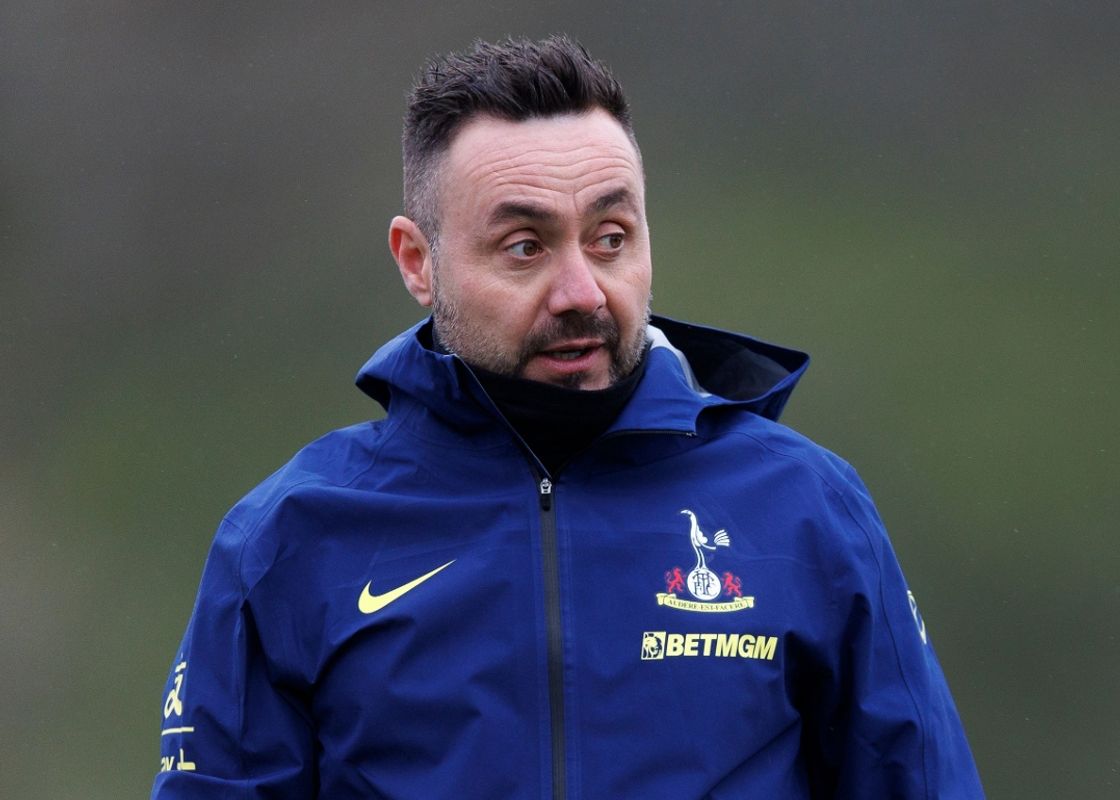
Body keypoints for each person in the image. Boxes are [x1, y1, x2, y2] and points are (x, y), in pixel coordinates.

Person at [152, 35, 984, 799]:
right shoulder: (289, 538)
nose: (582, 291)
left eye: (611, 237)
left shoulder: (807, 510)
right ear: (419, 261)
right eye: (525, 247)